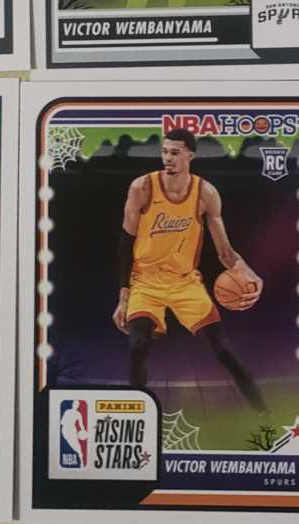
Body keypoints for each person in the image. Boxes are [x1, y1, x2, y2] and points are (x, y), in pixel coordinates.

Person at [112, 128, 267, 410]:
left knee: (223, 350)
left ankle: (264, 414)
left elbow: (224, 252)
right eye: (164, 152)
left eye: (175, 153)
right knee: (138, 347)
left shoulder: (205, 193)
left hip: (185, 282)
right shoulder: (142, 188)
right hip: (145, 281)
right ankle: (137, 415)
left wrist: (250, 273)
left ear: (190, 156)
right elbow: (125, 243)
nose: (167, 158)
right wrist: (123, 296)